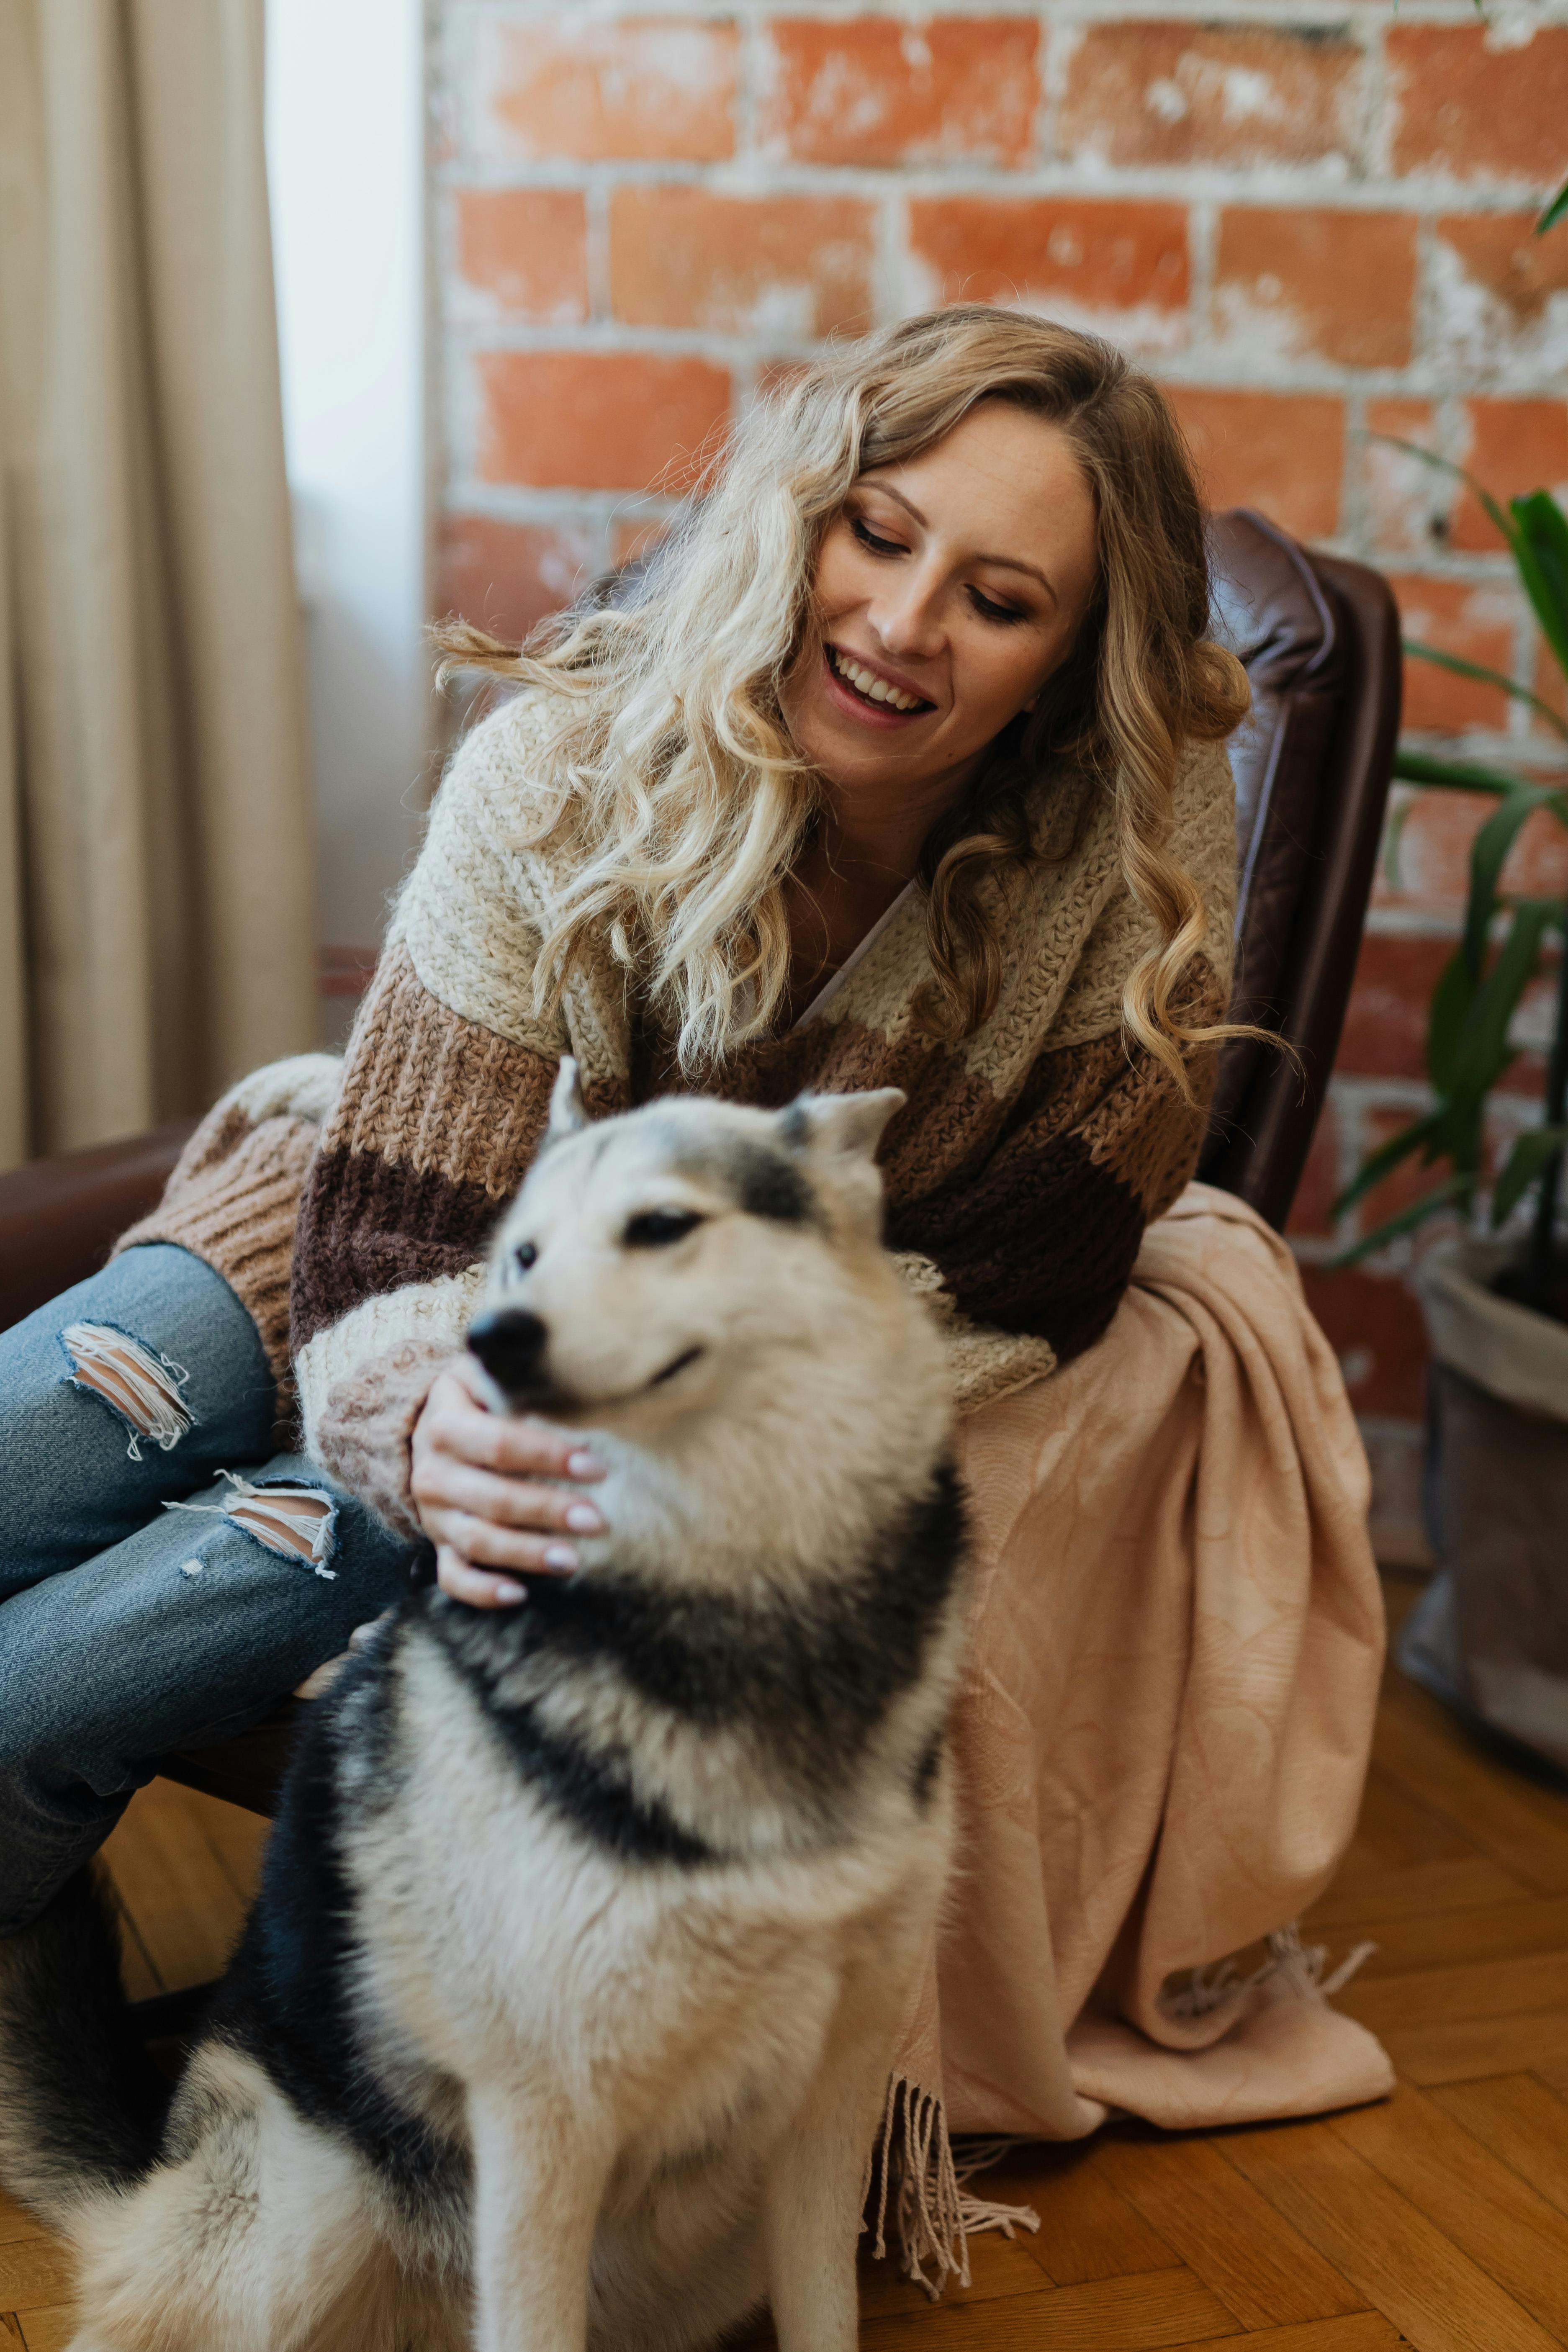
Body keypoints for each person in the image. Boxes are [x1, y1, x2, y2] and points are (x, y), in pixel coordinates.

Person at [0, 309, 1387, 2265]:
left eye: (998, 600)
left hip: (617, 1431)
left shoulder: (1123, 853)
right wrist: (413, 1406)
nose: (904, 622)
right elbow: (387, 1224)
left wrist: (603, 1427)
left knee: (28, 1697)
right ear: (800, 515)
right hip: (375, 1269)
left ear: (1071, 662)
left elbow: (1050, 1252)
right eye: (876, 533)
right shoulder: (559, 764)